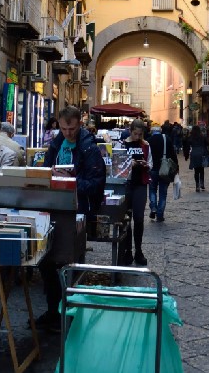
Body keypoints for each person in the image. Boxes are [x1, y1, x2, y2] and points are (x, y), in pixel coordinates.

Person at [38, 105, 106, 330]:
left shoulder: (89, 148)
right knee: (46, 259)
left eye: (72, 129)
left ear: (80, 125)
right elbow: (45, 171)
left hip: (78, 210)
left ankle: (70, 312)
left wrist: (70, 180)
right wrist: (49, 175)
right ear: (59, 124)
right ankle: (54, 310)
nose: (68, 133)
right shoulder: (55, 144)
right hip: (54, 207)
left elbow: (96, 184)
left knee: (70, 262)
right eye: (64, 129)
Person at [118, 119, 151, 266]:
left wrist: (146, 165)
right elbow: (117, 164)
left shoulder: (145, 145)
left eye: (140, 134)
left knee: (138, 218)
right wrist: (128, 164)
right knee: (126, 219)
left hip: (140, 184)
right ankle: (128, 251)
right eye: (135, 134)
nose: (137, 137)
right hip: (126, 184)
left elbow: (151, 163)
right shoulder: (122, 144)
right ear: (130, 131)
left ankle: (138, 250)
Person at [184, 124, 208, 192]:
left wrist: (186, 156)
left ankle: (197, 185)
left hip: (194, 153)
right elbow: (207, 143)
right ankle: (202, 183)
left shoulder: (191, 137)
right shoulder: (202, 136)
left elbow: (187, 146)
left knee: (196, 170)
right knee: (202, 169)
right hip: (202, 153)